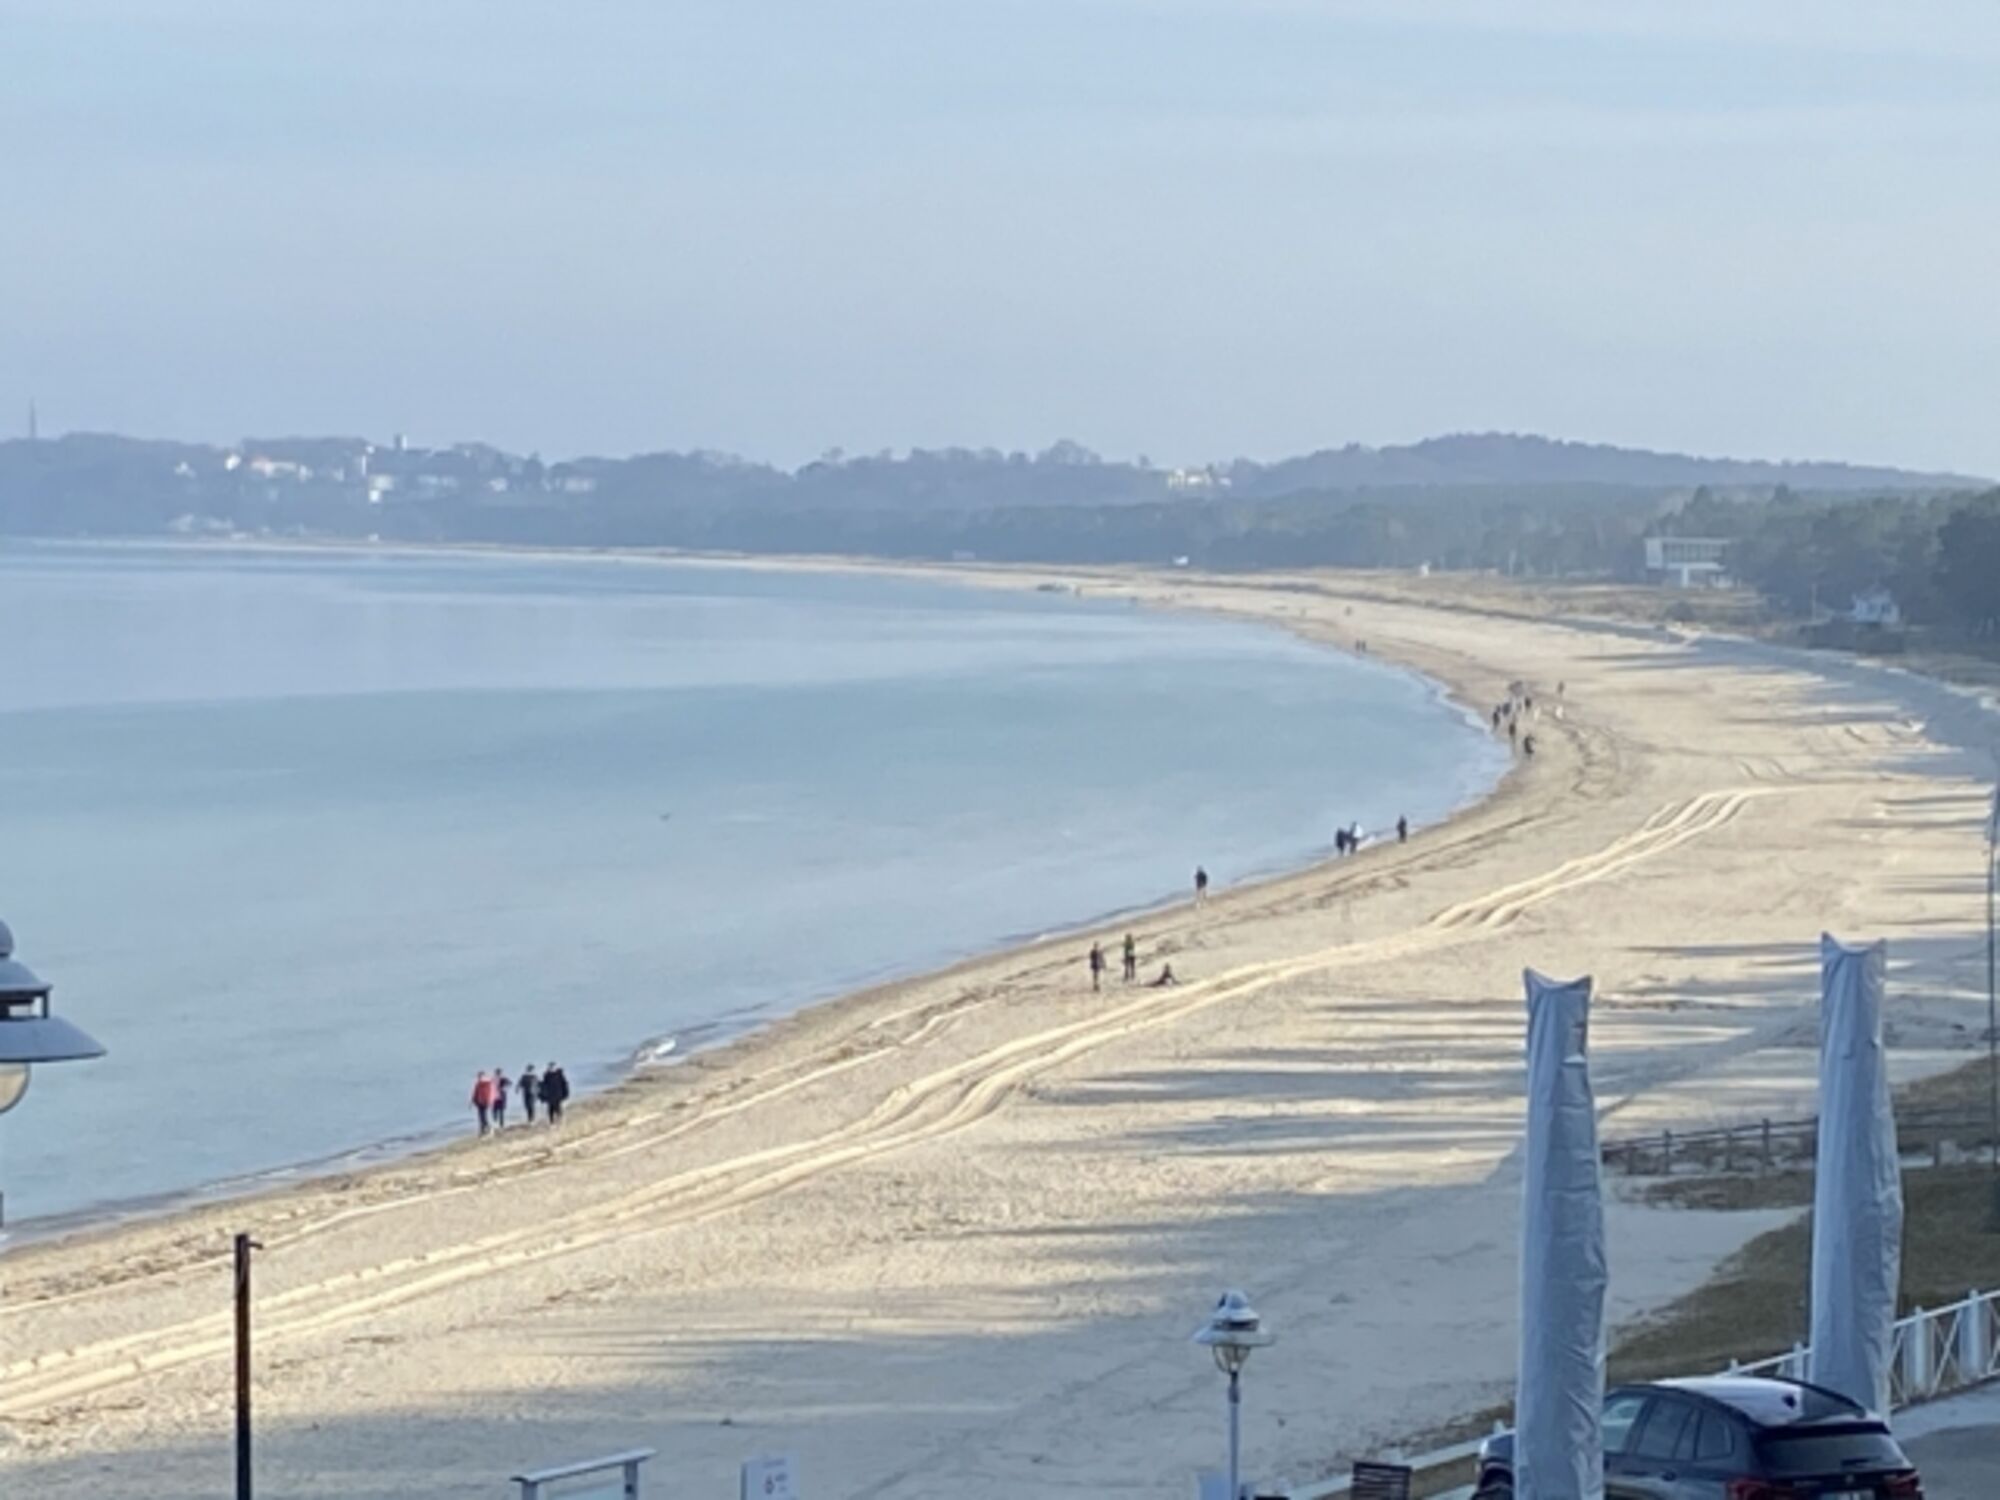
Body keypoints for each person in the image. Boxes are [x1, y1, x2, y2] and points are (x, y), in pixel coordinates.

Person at [470, 1071, 494, 1137]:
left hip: (483, 1102)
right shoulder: (482, 1083)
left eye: (479, 1076)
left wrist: (473, 1101)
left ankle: (487, 1128)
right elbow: (475, 1093)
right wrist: (473, 1101)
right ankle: (483, 1130)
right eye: (478, 1076)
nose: (478, 1077)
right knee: (482, 1116)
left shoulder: (483, 1083)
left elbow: (478, 1093)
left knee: (482, 1116)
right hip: (481, 1102)